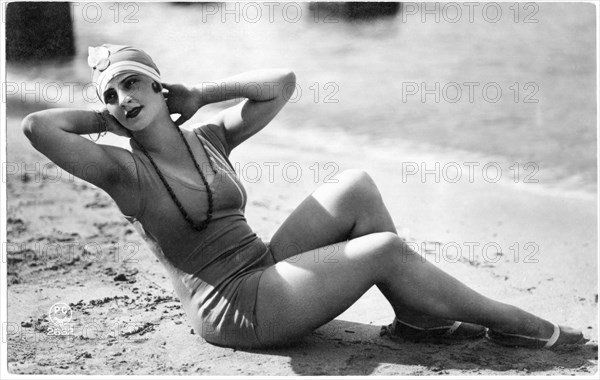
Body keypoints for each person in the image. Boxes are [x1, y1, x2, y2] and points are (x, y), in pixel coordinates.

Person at [22, 44, 585, 350]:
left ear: (159, 86)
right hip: (235, 308)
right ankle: (513, 321)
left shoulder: (209, 137)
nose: (124, 97)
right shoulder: (124, 171)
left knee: (356, 186)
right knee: (383, 248)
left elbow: (283, 82)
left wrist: (202, 94)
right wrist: (107, 117)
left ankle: (415, 315)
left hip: (265, 265)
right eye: (113, 94)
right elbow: (38, 128)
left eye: (132, 84)